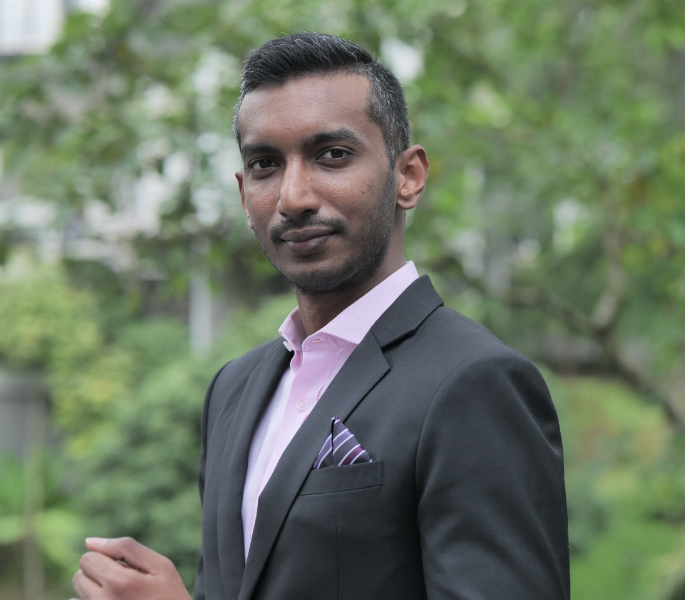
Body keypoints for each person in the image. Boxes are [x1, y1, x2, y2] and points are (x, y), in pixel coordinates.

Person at [70, 32, 570, 600]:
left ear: (408, 177)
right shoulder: (232, 389)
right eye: (265, 164)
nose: (294, 196)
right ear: (243, 194)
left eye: (332, 155)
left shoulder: (475, 383)